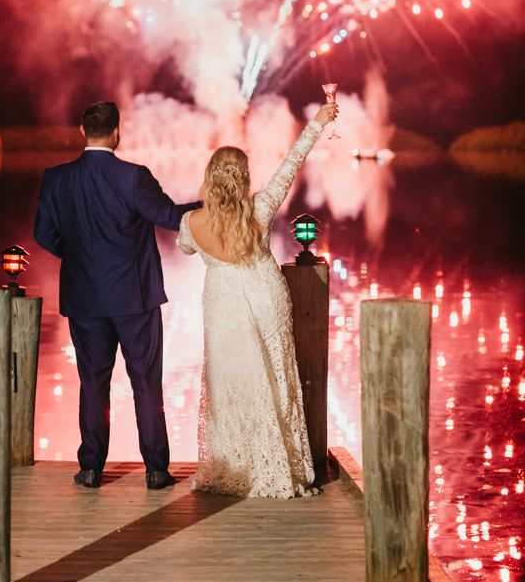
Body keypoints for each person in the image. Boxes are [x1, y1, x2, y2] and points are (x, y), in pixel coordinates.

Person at [34, 100, 200, 490]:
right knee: (145, 381)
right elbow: (172, 218)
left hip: (85, 298)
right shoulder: (133, 177)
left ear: (82, 131)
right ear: (117, 133)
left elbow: (44, 234)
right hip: (134, 298)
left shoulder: (56, 179)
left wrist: (78, 257)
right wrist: (213, 205)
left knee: (93, 382)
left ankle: (91, 468)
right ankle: (156, 471)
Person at [177, 102, 337, 499]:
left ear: (210, 179)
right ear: (244, 177)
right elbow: (292, 161)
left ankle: (235, 466)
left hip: (223, 305)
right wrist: (318, 121)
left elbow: (184, 249)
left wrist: (203, 202)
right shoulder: (261, 210)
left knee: (230, 382)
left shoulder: (192, 222)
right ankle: (277, 463)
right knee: (274, 376)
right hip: (266, 297)